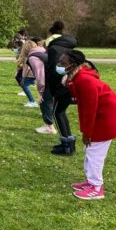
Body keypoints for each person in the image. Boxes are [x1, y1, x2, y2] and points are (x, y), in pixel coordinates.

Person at [58, 50, 116, 200]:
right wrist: (68, 82)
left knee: (95, 155)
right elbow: (80, 99)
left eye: (63, 63)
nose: (59, 65)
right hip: (102, 117)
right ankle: (90, 182)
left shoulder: (85, 80)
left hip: (106, 119)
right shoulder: (78, 76)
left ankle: (96, 187)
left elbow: (90, 110)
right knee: (90, 151)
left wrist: (88, 133)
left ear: (73, 65)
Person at [45, 20, 77, 155]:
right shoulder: (69, 47)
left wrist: (51, 89)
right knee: (61, 112)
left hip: (61, 86)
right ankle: (68, 143)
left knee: (57, 112)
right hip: (69, 82)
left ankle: (66, 146)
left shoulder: (54, 49)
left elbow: (53, 70)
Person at [22, 40, 56, 133]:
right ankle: (50, 126)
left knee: (44, 102)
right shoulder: (42, 51)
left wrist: (41, 92)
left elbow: (40, 75)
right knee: (50, 103)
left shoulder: (33, 57)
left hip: (48, 82)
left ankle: (50, 128)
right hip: (55, 80)